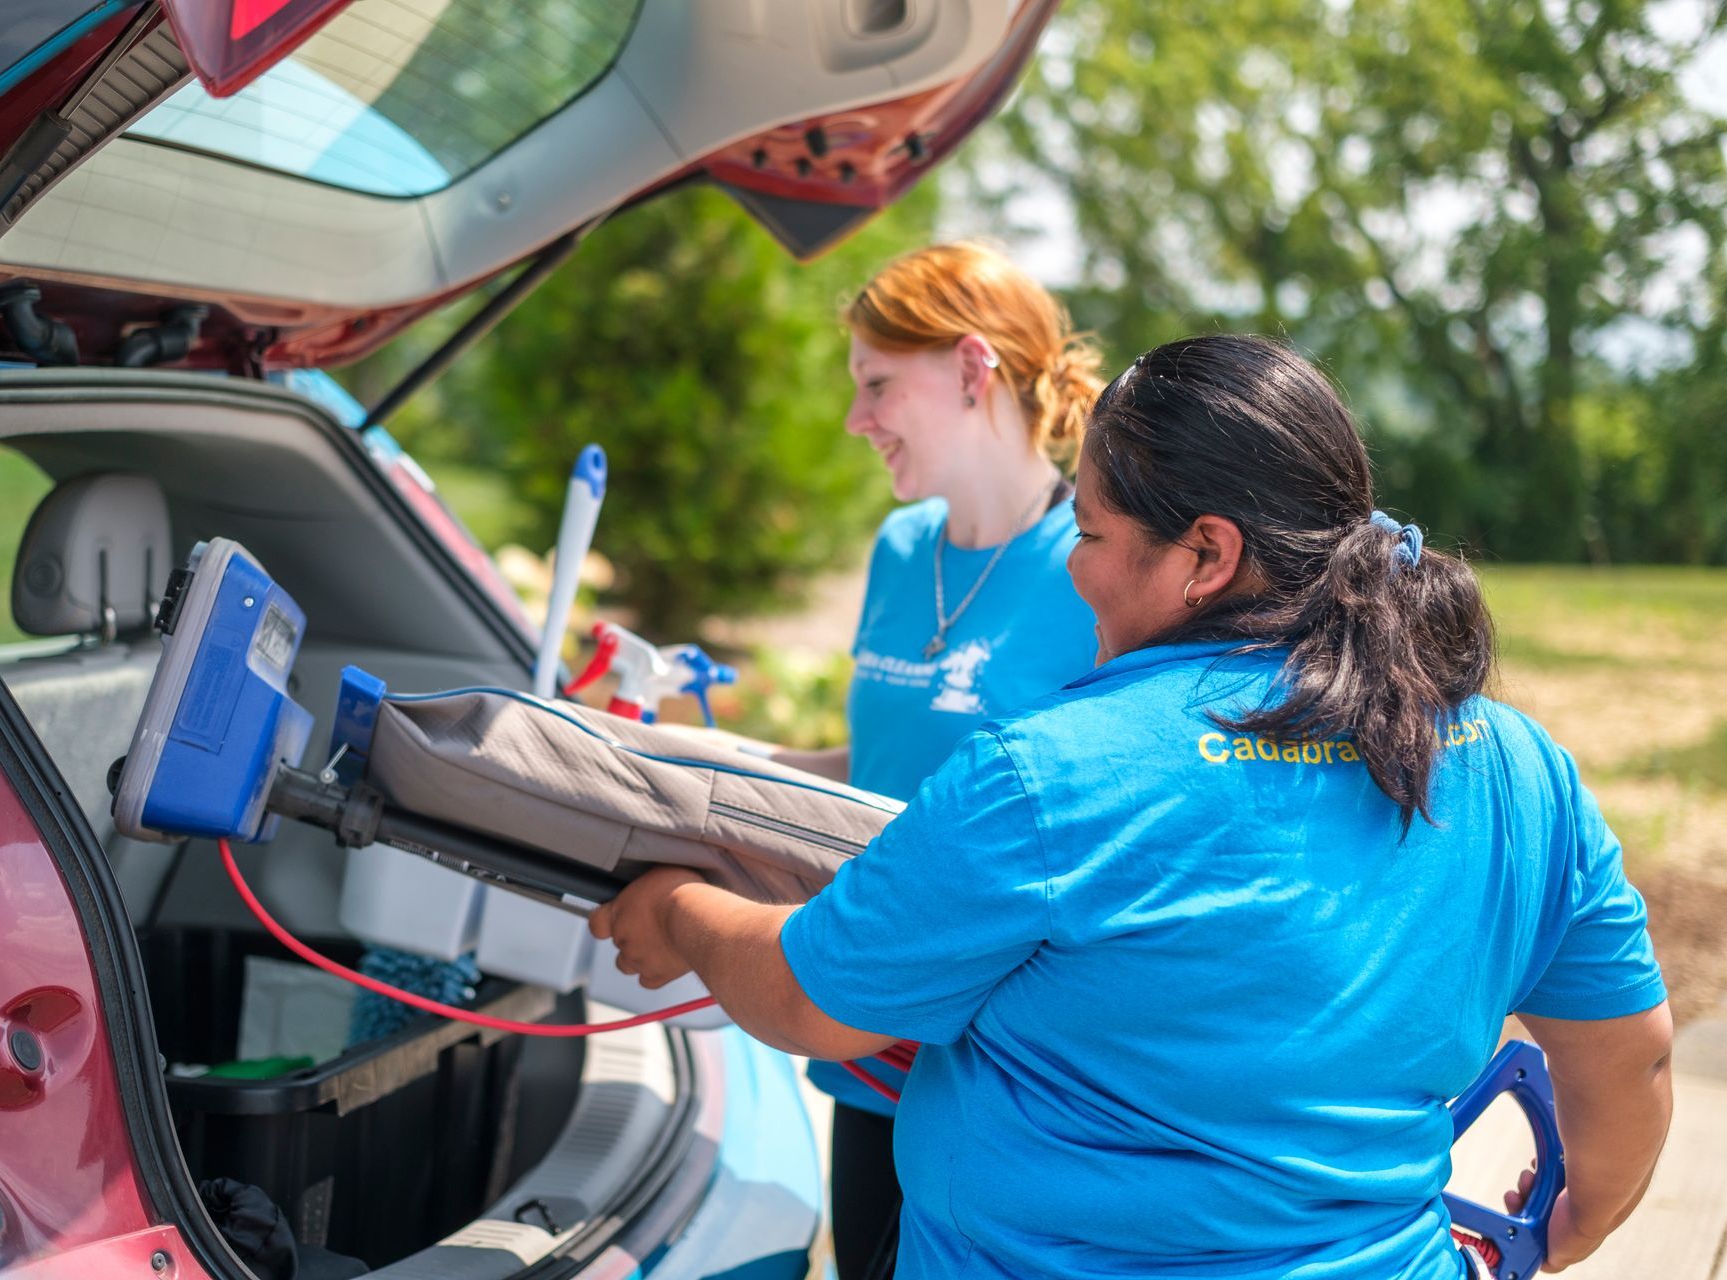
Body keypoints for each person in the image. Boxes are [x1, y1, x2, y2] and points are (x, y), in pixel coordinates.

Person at [592, 335, 1673, 1280]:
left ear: (1207, 553)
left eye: (1092, 533)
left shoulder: (1050, 776)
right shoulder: (1522, 764)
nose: (1073, 570)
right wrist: (1581, 1218)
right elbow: (1632, 1058)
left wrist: (682, 908)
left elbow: (807, 999)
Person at [761, 241, 1105, 1280]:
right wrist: (701, 764)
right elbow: (884, 761)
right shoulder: (900, 547)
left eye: (876, 385)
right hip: (863, 1041)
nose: (856, 420)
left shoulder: (1095, 566)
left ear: (970, 368)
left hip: (1004, 1079)